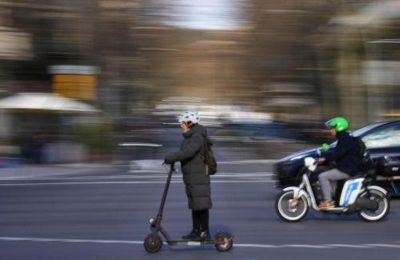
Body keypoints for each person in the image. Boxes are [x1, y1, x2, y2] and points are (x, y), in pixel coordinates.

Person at [164, 111, 212, 240]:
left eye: (183, 123)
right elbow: (185, 153)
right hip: (192, 176)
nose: (181, 125)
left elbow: (188, 152)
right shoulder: (190, 136)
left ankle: (205, 232)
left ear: (190, 123)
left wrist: (171, 157)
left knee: (201, 205)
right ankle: (196, 231)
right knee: (195, 204)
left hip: (199, 176)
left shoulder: (197, 137)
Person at [317, 117, 359, 209]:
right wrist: (326, 153)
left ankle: (328, 202)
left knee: (322, 176)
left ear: (339, 128)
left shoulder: (345, 140)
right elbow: (338, 152)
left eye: (332, 128)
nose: (331, 130)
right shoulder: (343, 138)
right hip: (345, 167)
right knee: (327, 172)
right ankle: (333, 197)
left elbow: (337, 154)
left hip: (347, 169)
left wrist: (324, 158)